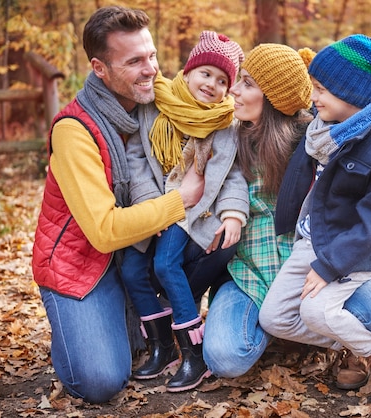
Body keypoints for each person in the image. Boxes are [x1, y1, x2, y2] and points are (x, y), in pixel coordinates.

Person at [31, 6, 227, 404]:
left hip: (139, 250)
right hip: (84, 264)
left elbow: (218, 124)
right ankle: (79, 326)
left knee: (217, 241)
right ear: (99, 68)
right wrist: (180, 200)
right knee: (101, 381)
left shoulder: (161, 104)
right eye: (134, 61)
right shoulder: (75, 131)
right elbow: (103, 232)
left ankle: (186, 333)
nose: (151, 69)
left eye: (151, 55)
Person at [202, 43, 371, 386]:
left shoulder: (318, 141)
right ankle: (318, 334)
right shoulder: (228, 142)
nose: (233, 90)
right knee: (227, 356)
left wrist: (332, 266)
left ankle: (362, 347)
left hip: (321, 262)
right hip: (252, 273)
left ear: (273, 98)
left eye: (247, 83)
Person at [258, 34, 371, 407]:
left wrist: (329, 265)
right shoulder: (321, 131)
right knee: (275, 318)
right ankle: (353, 342)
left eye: (323, 89)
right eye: (314, 87)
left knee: (313, 310)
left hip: (353, 253)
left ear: (354, 95)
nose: (315, 97)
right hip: (312, 241)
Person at [121, 30, 248, 392]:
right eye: (206, 73)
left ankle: (192, 355)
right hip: (154, 206)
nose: (212, 85)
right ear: (189, 71)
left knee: (165, 264)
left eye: (223, 80)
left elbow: (232, 176)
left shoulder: (225, 125)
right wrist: (150, 206)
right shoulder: (155, 107)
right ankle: (161, 346)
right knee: (132, 268)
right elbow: (137, 162)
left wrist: (234, 213)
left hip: (192, 212)